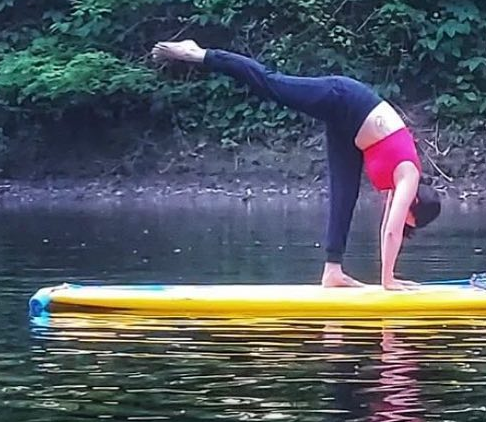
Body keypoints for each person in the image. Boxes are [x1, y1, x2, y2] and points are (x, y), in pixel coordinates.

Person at [151, 41, 442, 290]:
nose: (400, 216)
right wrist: (389, 281)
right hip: (345, 99)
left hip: (352, 134)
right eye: (408, 216)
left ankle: (333, 272)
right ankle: (200, 54)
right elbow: (392, 231)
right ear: (415, 200)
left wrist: (386, 279)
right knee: (273, 83)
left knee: (345, 197)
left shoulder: (401, 180)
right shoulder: (409, 174)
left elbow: (387, 229)